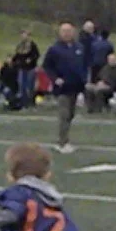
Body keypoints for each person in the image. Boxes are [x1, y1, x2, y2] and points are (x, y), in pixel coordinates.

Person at [42, 23, 87, 154]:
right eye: (64, 31)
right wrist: (55, 78)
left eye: (69, 31)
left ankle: (65, 138)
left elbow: (83, 65)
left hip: (76, 87)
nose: (67, 34)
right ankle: (62, 142)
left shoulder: (79, 47)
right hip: (62, 88)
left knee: (71, 114)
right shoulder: (54, 49)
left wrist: (84, 81)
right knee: (64, 114)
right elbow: (47, 66)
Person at [14, 30, 41, 106]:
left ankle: (31, 102)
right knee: (22, 85)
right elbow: (17, 55)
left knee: (30, 86)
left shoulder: (32, 45)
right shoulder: (19, 45)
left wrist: (31, 59)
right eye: (22, 35)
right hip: (22, 68)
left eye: (24, 35)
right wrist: (14, 61)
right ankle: (24, 102)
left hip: (31, 68)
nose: (23, 37)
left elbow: (37, 54)